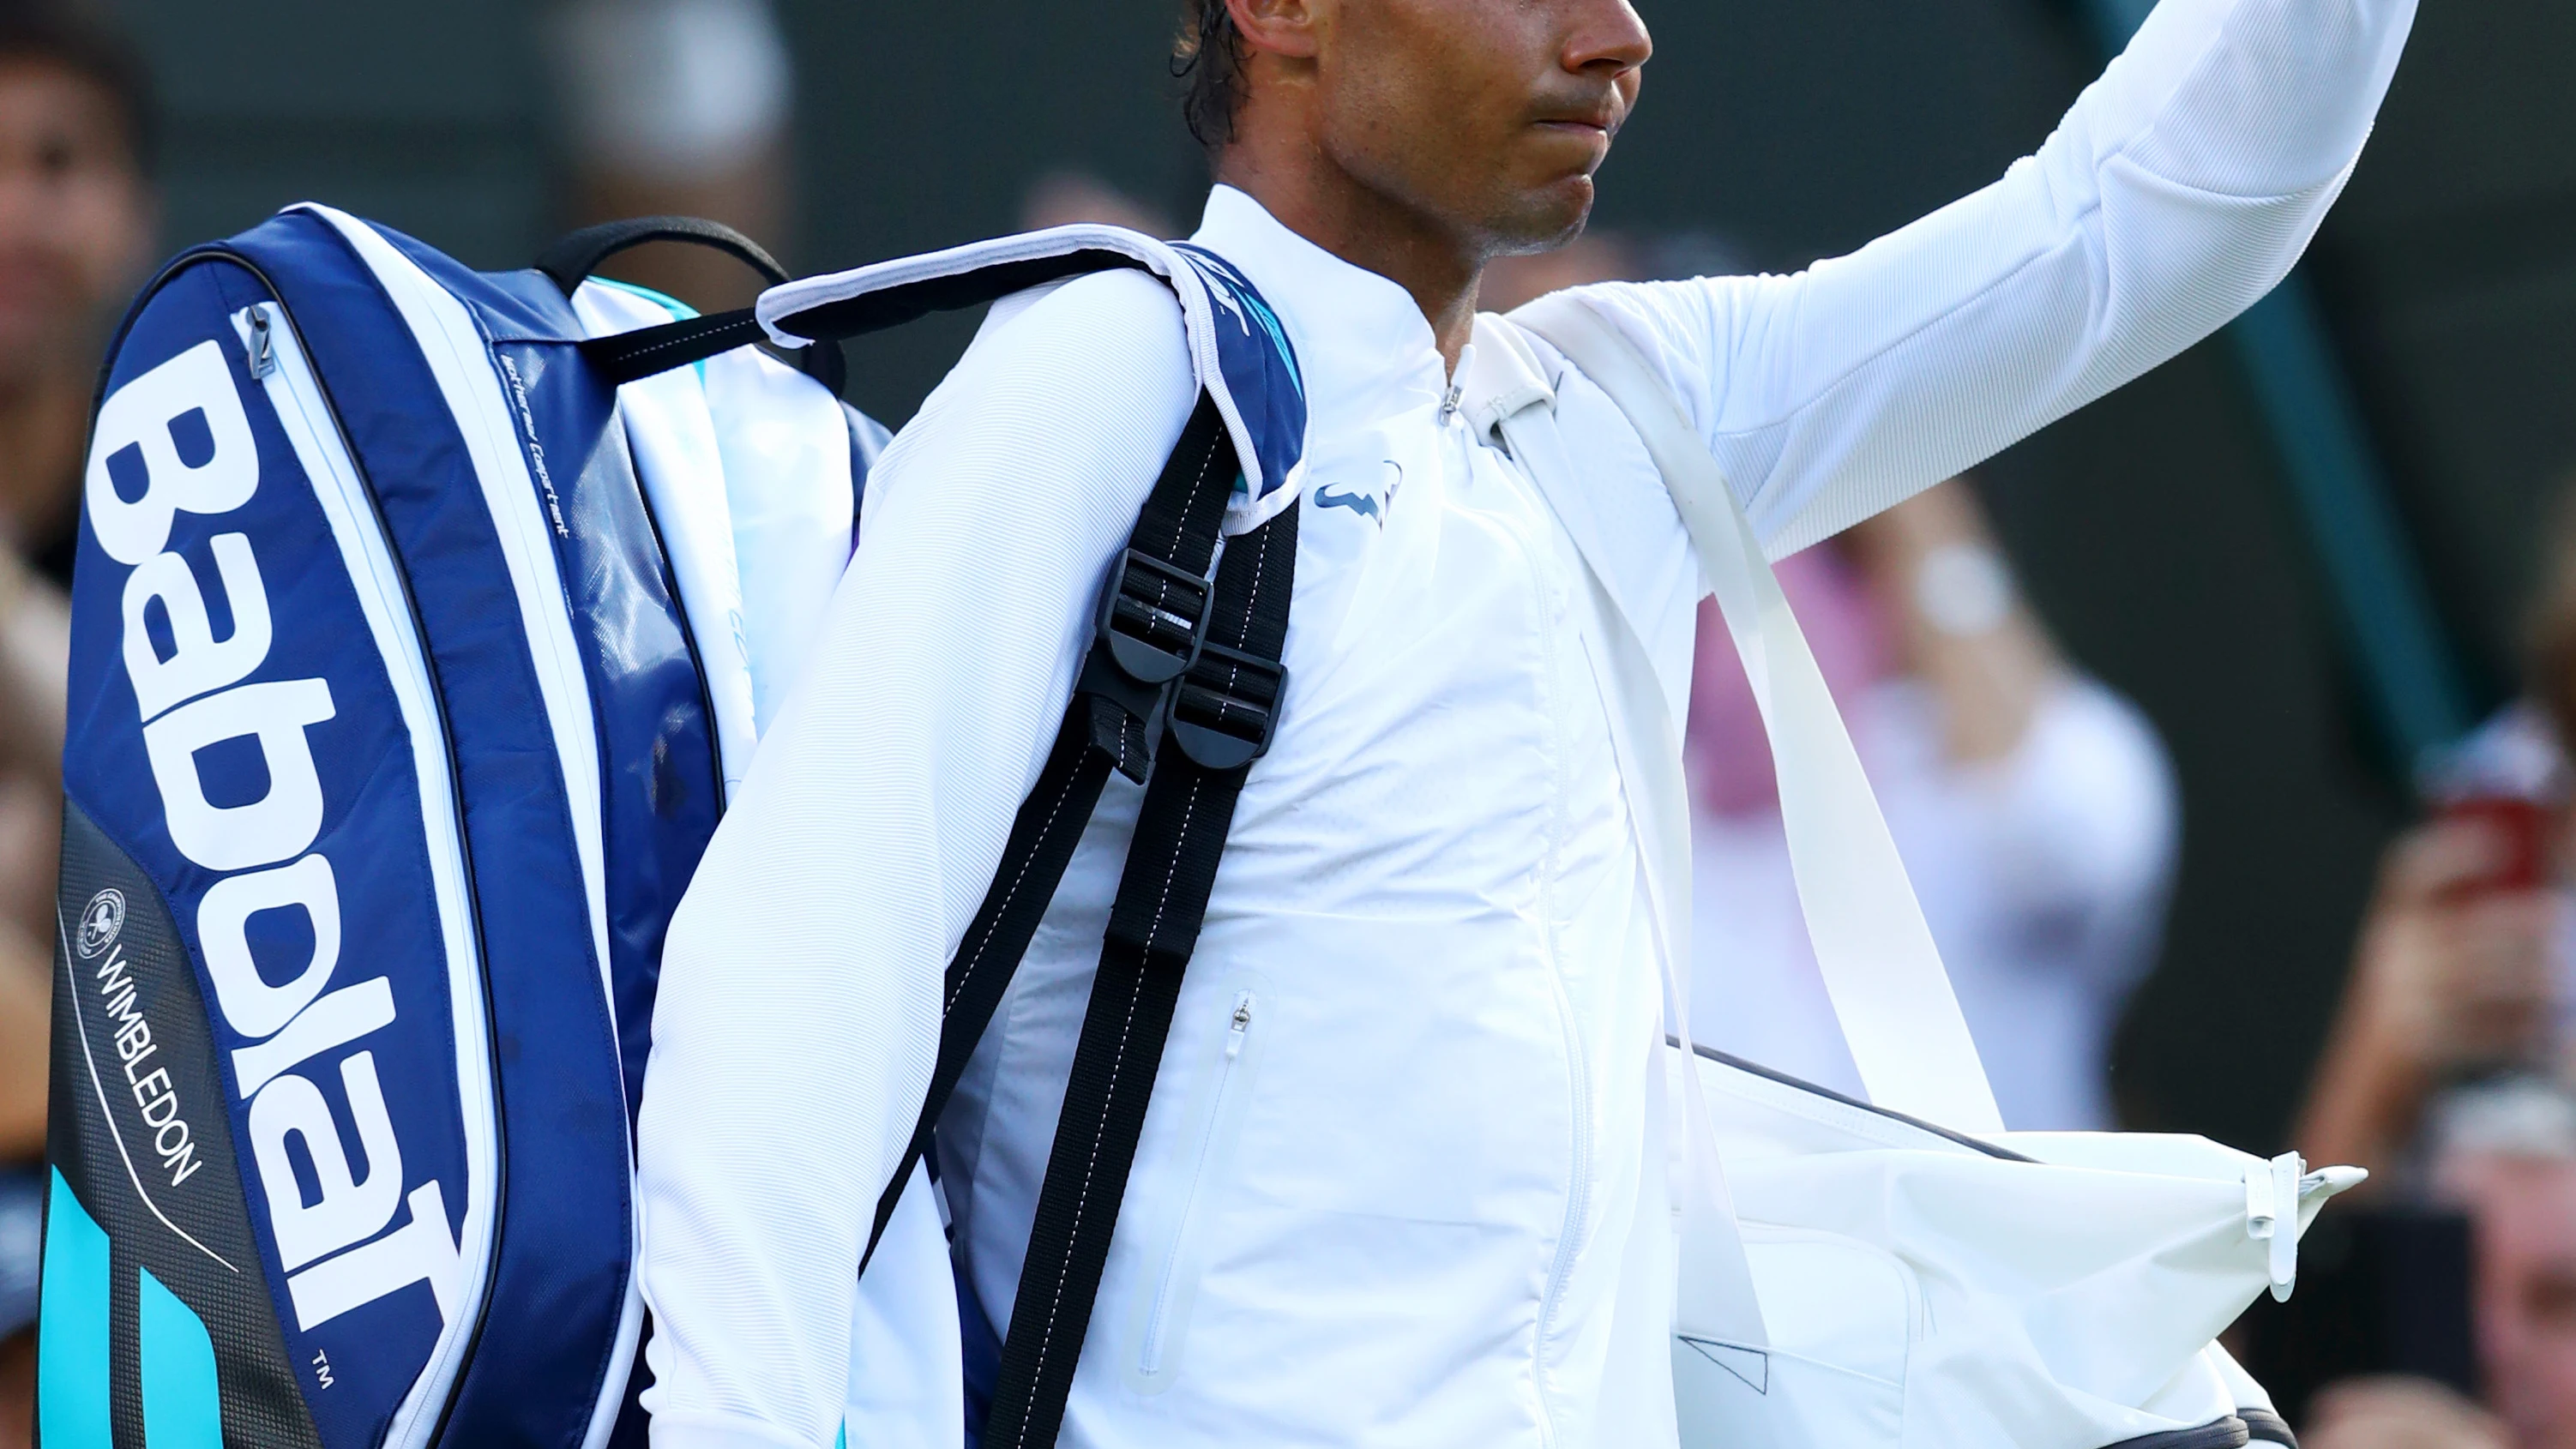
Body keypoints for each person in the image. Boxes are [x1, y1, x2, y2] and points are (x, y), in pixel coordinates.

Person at [634, 0, 2418, 1444]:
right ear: (1278, 11)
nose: (1619, 34)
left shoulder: (1625, 409)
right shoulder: (1113, 368)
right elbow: (802, 964)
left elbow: (2161, 207)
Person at [0, 10, 152, 1445]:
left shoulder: (191, 520)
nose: (12, 209)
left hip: (128, 1196)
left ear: (132, 213)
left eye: (55, 161)